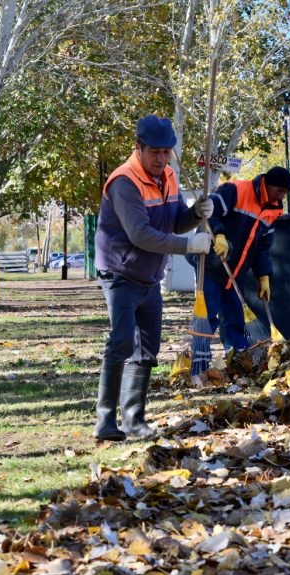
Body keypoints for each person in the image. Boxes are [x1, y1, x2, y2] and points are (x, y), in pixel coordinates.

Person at [93, 114, 214, 442]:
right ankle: (105, 422)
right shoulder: (124, 182)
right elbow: (141, 235)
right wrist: (189, 245)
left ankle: (134, 420)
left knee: (148, 347)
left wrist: (196, 212)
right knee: (121, 340)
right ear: (138, 148)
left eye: (167, 152)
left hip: (149, 275)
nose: (162, 159)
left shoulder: (170, 176)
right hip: (119, 271)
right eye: (155, 153)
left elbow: (175, 221)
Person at [193, 166, 290, 353]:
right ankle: (198, 358)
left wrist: (263, 276)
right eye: (279, 190)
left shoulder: (274, 211)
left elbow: (262, 247)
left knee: (234, 317)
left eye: (284, 193)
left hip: (236, 272)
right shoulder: (236, 190)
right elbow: (208, 212)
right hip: (212, 264)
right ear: (267, 184)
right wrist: (219, 234)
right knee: (207, 314)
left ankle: (238, 360)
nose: (280, 197)